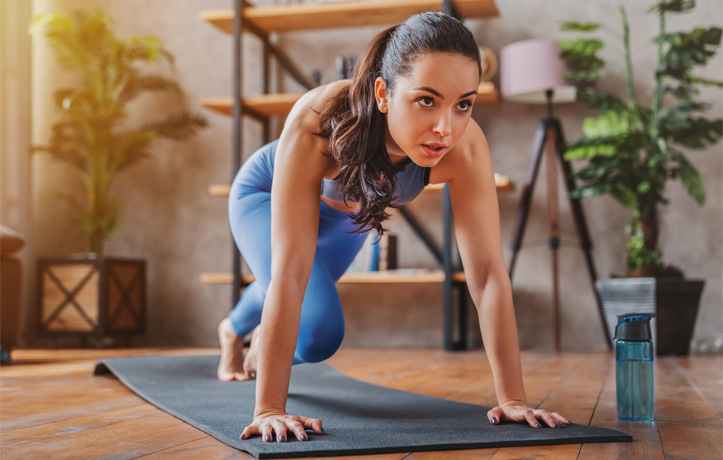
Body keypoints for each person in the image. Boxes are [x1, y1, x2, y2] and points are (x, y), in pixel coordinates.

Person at [218, 12, 571, 443]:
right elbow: (291, 273)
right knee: (318, 332)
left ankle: (241, 330)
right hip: (264, 196)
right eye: (427, 100)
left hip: (350, 213)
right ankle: (236, 329)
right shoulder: (319, 119)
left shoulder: (465, 147)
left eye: (463, 103)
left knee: (311, 322)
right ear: (384, 94)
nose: (446, 127)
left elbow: (488, 276)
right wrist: (270, 408)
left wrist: (513, 398)